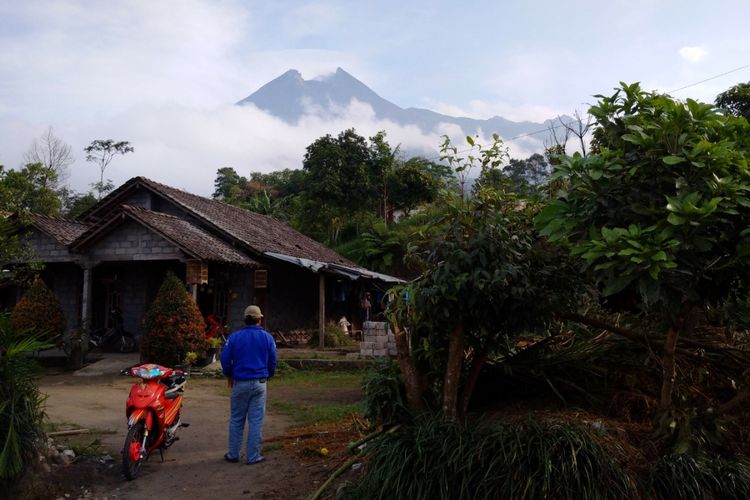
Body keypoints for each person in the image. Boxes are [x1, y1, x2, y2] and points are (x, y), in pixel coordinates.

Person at [220, 305, 277, 465]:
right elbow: (273, 361)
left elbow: (224, 360)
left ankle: (233, 454)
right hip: (260, 383)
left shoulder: (234, 337)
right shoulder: (267, 338)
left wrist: (229, 374)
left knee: (237, 419)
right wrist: (268, 375)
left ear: (245, 319)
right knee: (256, 420)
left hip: (240, 383)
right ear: (260, 319)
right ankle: (253, 456)